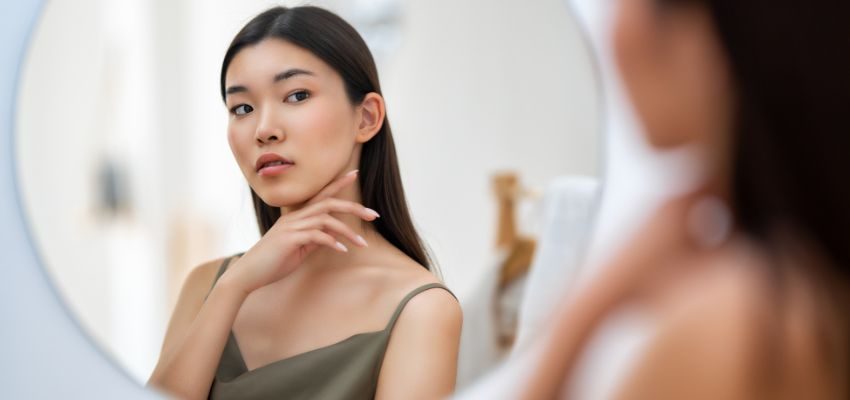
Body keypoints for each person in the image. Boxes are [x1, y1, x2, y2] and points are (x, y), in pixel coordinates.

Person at [523, 0, 849, 398]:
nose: (613, 28)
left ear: (702, 26)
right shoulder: (801, 291)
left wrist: (578, 326)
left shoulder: (742, 333)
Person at [146, 6, 462, 399]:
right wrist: (235, 287)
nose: (264, 130)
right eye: (242, 107)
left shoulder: (421, 310)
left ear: (366, 118)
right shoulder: (209, 286)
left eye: (296, 95)